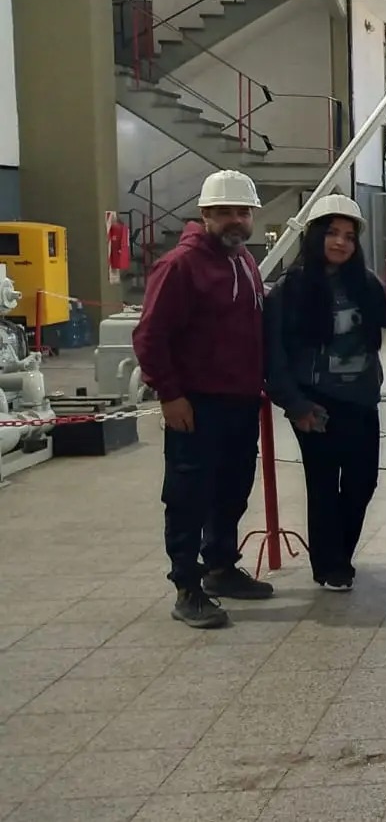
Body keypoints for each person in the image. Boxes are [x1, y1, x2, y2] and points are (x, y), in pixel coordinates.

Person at [134, 169, 273, 628]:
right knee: (189, 494)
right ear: (205, 214)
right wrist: (170, 395)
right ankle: (186, 587)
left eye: (242, 212)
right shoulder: (180, 266)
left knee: (231, 489)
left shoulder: (244, 261)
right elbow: (150, 336)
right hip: (196, 404)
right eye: (225, 212)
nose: (235, 220)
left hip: (239, 401)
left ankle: (220, 568)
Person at [263, 194, 386, 592]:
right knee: (322, 486)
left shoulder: (366, 284)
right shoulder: (290, 289)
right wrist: (296, 404)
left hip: (361, 402)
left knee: (362, 482)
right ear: (315, 236)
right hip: (315, 404)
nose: (341, 242)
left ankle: (342, 555)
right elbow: (273, 354)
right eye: (332, 233)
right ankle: (329, 565)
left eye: (349, 236)